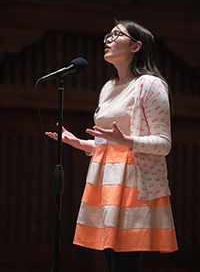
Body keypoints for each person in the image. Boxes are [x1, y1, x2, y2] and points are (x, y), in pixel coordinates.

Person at [45, 20, 178, 272]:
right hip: (105, 178)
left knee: (125, 264)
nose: (108, 39)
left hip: (135, 181)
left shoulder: (150, 85)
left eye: (117, 35)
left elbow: (164, 144)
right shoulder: (108, 87)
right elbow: (107, 143)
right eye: (108, 34)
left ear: (136, 46)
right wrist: (79, 142)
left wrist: (127, 141)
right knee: (109, 259)